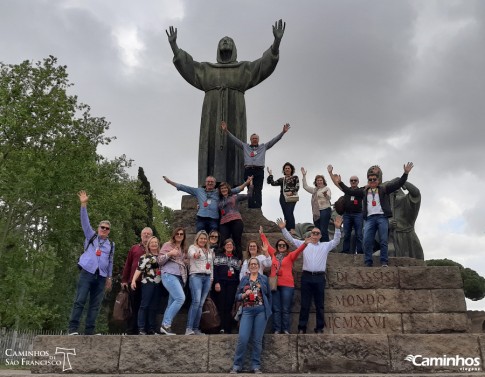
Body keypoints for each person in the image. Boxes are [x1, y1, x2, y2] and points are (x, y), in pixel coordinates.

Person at [166, 20, 286, 188]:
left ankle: (234, 186)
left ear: (234, 48)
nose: (225, 42)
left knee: (234, 146)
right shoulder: (207, 69)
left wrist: (276, 43)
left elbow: (262, 66)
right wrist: (174, 46)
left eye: (229, 41)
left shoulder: (243, 69)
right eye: (222, 41)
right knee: (210, 145)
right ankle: (209, 184)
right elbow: (188, 67)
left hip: (235, 113)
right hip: (211, 114)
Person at [331, 162, 414, 267]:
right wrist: (340, 182)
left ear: (378, 180)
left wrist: (405, 173)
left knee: (383, 240)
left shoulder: (384, 189)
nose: (372, 181)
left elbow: (399, 183)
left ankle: (384, 262)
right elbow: (348, 191)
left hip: (382, 218)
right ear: (368, 181)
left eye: (374, 179)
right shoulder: (364, 191)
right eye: (370, 180)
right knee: (366, 240)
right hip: (369, 219)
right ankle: (368, 262)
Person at [278, 215, 343, 334]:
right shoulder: (304, 244)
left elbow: (336, 241)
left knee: (320, 305)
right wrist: (283, 229)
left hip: (319, 277)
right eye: (313, 233)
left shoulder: (325, 246)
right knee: (305, 304)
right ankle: (302, 328)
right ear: (310, 234)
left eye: (317, 233)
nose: (315, 235)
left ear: (320, 236)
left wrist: (337, 228)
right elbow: (291, 240)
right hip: (306, 277)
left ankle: (319, 328)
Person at [68, 190, 114, 335]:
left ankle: (90, 330)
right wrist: (83, 205)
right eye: (102, 227)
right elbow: (85, 222)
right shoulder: (91, 236)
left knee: (95, 305)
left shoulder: (111, 245)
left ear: (109, 231)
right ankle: (73, 328)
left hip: (101, 276)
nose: (104, 230)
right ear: (98, 228)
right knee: (80, 300)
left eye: (107, 229)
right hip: (87, 272)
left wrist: (109, 277)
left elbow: (110, 261)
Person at [221, 120, 290, 208]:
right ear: (250, 139)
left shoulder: (263, 147)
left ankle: (257, 207)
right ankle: (250, 206)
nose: (255, 139)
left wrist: (283, 132)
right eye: (253, 138)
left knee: (258, 189)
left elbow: (274, 140)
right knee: (250, 188)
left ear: (258, 140)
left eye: (256, 138)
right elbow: (235, 140)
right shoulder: (245, 146)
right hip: (248, 170)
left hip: (259, 171)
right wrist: (226, 131)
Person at [260, 226, 309, 334]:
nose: (281, 246)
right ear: (277, 247)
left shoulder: (290, 256)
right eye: (279, 245)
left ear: (286, 247)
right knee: (276, 308)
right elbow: (266, 245)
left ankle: (285, 329)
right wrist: (262, 234)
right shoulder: (273, 254)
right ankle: (277, 329)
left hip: (287, 285)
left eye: (283, 245)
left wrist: (305, 243)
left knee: (286, 309)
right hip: (274, 284)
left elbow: (298, 250)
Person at [230, 257, 272, 374]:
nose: (253, 266)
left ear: (258, 266)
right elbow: (236, 296)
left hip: (261, 311)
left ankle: (256, 365)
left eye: (255, 264)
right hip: (247, 311)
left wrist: (268, 309)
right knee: (243, 338)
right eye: (251, 264)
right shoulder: (244, 279)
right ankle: (237, 365)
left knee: (257, 340)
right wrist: (243, 295)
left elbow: (268, 295)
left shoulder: (263, 278)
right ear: (248, 267)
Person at [163, 175, 241, 233]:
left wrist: (246, 183)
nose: (210, 183)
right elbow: (184, 187)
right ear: (205, 183)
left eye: (212, 182)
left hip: (214, 218)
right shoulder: (199, 191)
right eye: (208, 182)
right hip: (201, 218)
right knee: (200, 236)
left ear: (215, 184)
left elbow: (233, 190)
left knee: (213, 237)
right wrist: (170, 182)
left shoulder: (218, 191)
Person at [121, 227, 153, 335]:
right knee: (134, 306)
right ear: (141, 235)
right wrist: (124, 280)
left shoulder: (154, 249)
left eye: (149, 234)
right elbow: (128, 265)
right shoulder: (134, 248)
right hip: (135, 281)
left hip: (148, 282)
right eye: (144, 233)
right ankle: (131, 329)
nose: (146, 235)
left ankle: (145, 328)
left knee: (146, 306)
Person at [327, 168, 364, 254]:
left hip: (358, 214)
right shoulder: (346, 190)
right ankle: (345, 251)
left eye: (355, 180)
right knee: (346, 234)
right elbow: (337, 183)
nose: (353, 182)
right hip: (347, 214)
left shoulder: (361, 191)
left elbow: (371, 185)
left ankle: (360, 252)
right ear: (350, 182)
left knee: (359, 234)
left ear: (358, 182)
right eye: (352, 180)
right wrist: (330, 173)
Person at [158, 227, 187, 335]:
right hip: (169, 275)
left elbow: (184, 262)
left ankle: (164, 327)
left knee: (171, 303)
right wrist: (169, 254)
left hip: (180, 277)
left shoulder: (183, 249)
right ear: (174, 235)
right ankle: (166, 325)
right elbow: (159, 261)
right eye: (177, 234)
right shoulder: (167, 245)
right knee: (180, 298)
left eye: (181, 234)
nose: (179, 235)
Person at [130, 236, 161, 335]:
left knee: (154, 306)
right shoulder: (145, 257)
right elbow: (138, 269)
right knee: (144, 305)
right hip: (148, 282)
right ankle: (141, 328)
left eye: (156, 242)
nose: (154, 244)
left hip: (159, 283)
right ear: (148, 245)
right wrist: (133, 280)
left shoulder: (161, 256)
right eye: (152, 242)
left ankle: (151, 328)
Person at [186, 230, 215, 335]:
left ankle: (196, 328)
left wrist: (211, 278)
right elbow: (191, 255)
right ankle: (189, 328)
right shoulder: (193, 247)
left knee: (201, 304)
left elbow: (211, 265)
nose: (203, 240)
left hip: (207, 278)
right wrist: (196, 254)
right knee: (196, 301)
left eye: (204, 238)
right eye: (201, 238)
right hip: (196, 276)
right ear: (197, 239)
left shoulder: (209, 251)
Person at [218, 177, 253, 258]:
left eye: (225, 188)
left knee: (237, 241)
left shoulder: (235, 196)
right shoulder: (219, 200)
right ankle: (224, 261)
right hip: (224, 223)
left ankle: (239, 260)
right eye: (222, 188)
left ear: (228, 189)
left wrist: (250, 184)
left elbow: (249, 195)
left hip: (236, 221)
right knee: (223, 242)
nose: (223, 190)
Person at [212, 238, 241, 334]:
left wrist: (238, 285)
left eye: (231, 245)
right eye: (227, 245)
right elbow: (215, 270)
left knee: (229, 305)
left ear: (233, 247)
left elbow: (237, 274)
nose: (229, 246)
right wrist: (216, 282)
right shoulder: (218, 256)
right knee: (221, 304)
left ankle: (227, 328)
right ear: (224, 247)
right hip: (221, 284)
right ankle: (221, 327)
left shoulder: (236, 259)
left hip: (232, 284)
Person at [388, 181, 424, 259]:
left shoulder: (405, 201)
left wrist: (402, 181)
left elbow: (416, 194)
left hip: (408, 239)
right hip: (391, 239)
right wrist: (388, 224)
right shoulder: (383, 205)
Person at [301, 167, 332, 241]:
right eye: (318, 180)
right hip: (316, 212)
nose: (319, 182)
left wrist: (325, 195)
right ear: (316, 182)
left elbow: (329, 198)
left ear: (323, 181)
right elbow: (305, 187)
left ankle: (325, 245)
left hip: (325, 210)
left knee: (323, 229)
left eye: (321, 180)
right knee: (317, 230)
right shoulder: (314, 190)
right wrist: (304, 176)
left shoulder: (326, 189)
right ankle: (318, 244)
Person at [267, 162, 299, 231]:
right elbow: (273, 183)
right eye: (286, 168)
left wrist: (292, 191)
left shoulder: (295, 178)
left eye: (288, 168)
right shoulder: (282, 179)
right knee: (285, 213)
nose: (287, 169)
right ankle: (287, 229)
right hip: (283, 197)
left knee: (289, 212)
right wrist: (270, 175)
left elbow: (297, 187)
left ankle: (292, 229)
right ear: (284, 170)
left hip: (292, 197)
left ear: (291, 169)